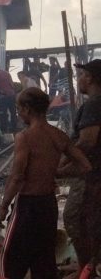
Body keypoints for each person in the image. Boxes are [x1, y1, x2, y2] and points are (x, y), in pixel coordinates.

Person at [0, 88, 91, 279]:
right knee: (44, 258)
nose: (18, 113)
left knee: (12, 259)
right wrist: (57, 172)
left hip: (27, 205)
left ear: (27, 108)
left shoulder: (25, 137)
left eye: (18, 109)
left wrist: (4, 206)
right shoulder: (58, 135)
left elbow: (17, 177)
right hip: (48, 204)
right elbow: (85, 166)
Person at [62, 59, 101, 278]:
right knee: (93, 220)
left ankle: (86, 268)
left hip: (91, 174)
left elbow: (86, 142)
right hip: (95, 173)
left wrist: (61, 166)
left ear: (91, 78)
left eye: (81, 75)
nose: (78, 79)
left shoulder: (94, 104)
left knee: (76, 219)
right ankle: (89, 264)